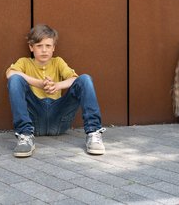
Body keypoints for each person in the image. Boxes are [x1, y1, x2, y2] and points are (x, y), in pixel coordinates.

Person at [6, 24, 106, 157]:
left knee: (85, 79)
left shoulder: (58, 62)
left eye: (48, 46)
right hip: (34, 119)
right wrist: (39, 84)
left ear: (53, 48)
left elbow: (74, 79)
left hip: (59, 118)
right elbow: (10, 74)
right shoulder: (24, 62)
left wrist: (57, 85)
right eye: (39, 46)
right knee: (15, 80)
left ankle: (94, 133)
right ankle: (25, 136)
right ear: (31, 47)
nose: (44, 50)